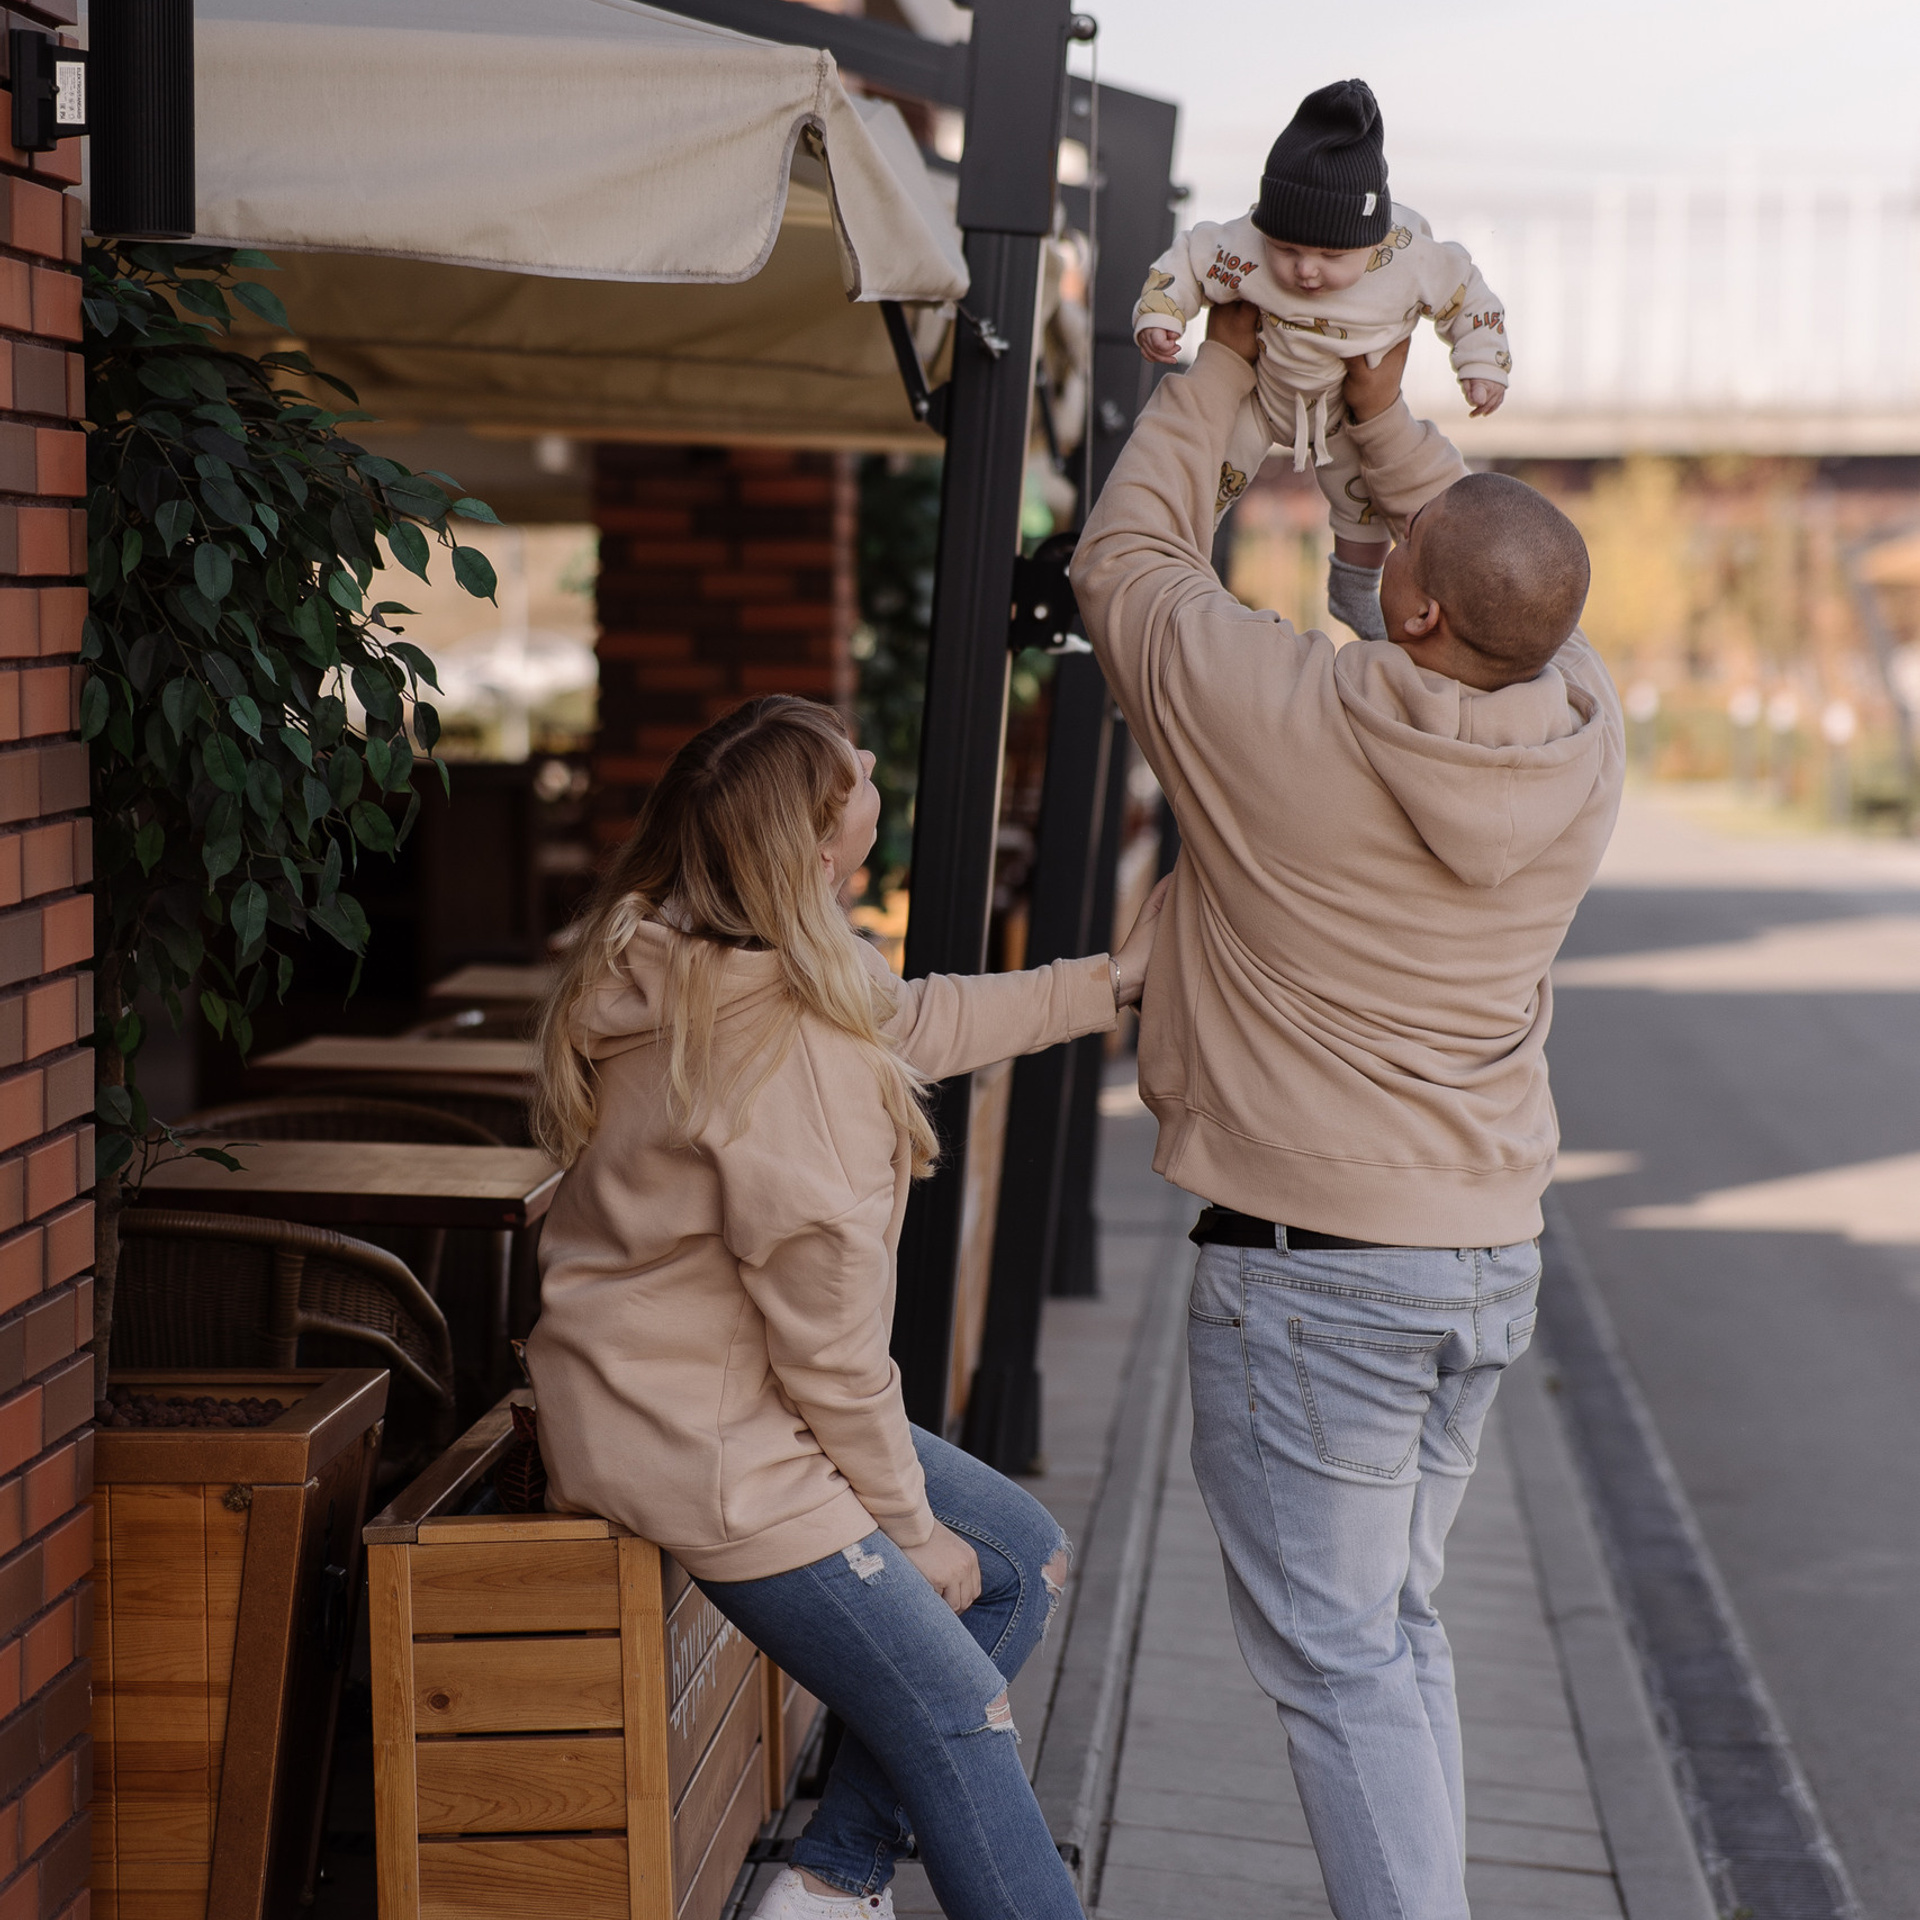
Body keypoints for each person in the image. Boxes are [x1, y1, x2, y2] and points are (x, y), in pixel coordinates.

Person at [1072, 300, 1623, 1920]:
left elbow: (1126, 564)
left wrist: (1232, 358)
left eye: (1399, 550)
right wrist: (1387, 419)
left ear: (1416, 603)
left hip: (1319, 1280)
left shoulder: (1285, 719)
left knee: (1341, 1666)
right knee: (1392, 1639)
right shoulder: (1586, 734)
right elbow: (1505, 576)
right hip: (1480, 1264)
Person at [525, 695, 1169, 1920]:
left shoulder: (713, 954)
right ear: (824, 844)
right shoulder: (786, 1064)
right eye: (850, 767)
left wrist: (1111, 982)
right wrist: (908, 1527)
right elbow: (831, 1353)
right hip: (709, 1444)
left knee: (1021, 1562)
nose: (872, 761)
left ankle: (830, 1887)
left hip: (679, 1392)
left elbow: (915, 1019)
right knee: (959, 1716)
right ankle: (841, 1884)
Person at [1134, 77, 1508, 643]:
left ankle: (1353, 584)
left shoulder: (1406, 259)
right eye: (1287, 250)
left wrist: (1482, 363)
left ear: (1371, 238)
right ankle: (1185, 556)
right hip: (1262, 394)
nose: (1306, 270)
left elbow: (1469, 297)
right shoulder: (1245, 245)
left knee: (1366, 501)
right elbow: (1188, 257)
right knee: (1208, 467)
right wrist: (1162, 311)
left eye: (1332, 255)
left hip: (1346, 413)